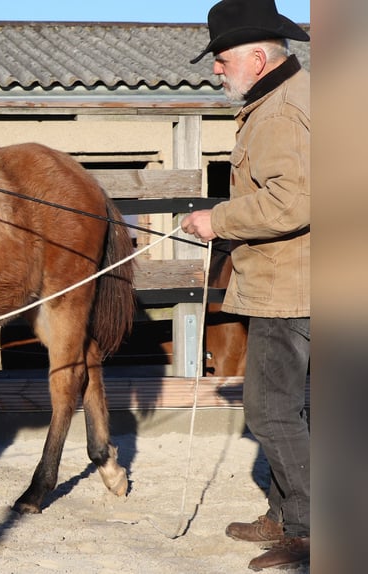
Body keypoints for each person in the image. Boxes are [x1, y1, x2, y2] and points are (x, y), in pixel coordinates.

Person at [181, 0, 310, 570]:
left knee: (270, 410)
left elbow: (295, 200)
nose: (215, 68)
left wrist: (218, 220)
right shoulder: (293, 97)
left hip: (294, 283)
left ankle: (310, 529)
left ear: (258, 58)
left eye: (223, 58)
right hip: (309, 278)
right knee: (298, 410)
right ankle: (285, 514)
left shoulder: (282, 112)